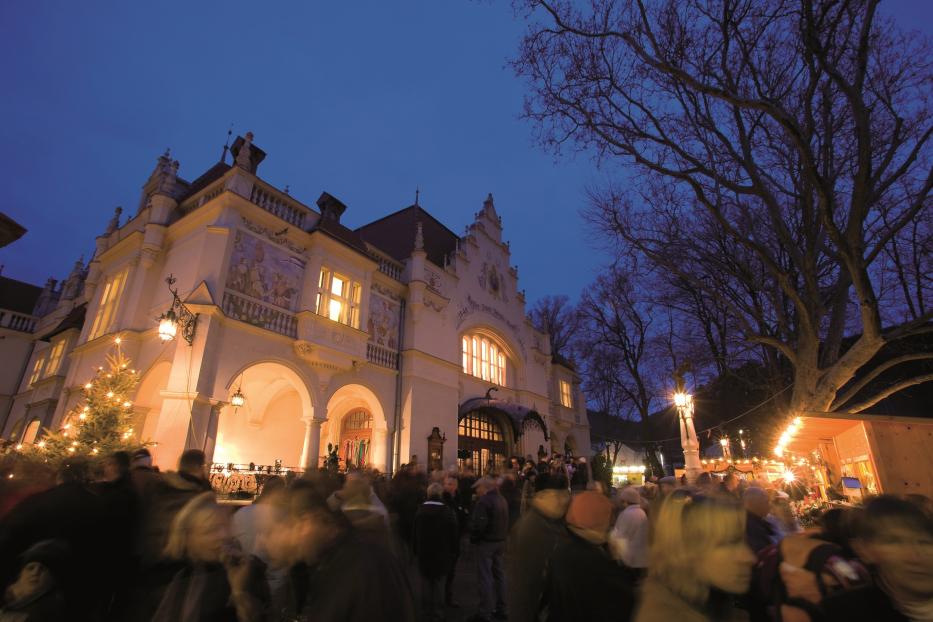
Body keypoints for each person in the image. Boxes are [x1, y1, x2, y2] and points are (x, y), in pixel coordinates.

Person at [267, 482, 416, 621]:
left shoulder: (361, 567)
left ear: (310, 520)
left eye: (287, 527)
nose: (285, 539)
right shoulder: (323, 563)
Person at [634, 493, 756, 622]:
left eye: (744, 541)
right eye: (730, 543)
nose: (750, 558)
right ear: (687, 550)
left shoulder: (710, 602)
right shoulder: (664, 615)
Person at [153, 492, 268, 622]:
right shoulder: (174, 577)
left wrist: (240, 592)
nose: (224, 535)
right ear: (187, 538)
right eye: (210, 530)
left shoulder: (247, 571)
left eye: (227, 525)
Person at [816, 495, 933, 621]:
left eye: (924, 542)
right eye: (894, 542)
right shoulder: (843, 612)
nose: (915, 556)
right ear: (864, 550)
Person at [541, 491, 635, 621]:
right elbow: (620, 603)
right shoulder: (591, 558)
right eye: (607, 516)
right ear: (597, 519)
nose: (611, 521)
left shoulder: (564, 544)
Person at [507, 472, 571, 622]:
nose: (566, 499)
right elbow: (525, 584)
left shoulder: (549, 519)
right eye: (562, 495)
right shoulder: (534, 526)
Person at [413, 483, 459, 621]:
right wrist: (454, 550)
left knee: (426, 582)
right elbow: (453, 533)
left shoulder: (420, 511)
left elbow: (415, 533)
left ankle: (426, 611)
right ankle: (437, 613)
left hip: (424, 552)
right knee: (439, 583)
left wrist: (415, 549)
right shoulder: (447, 512)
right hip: (442, 552)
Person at [0, 539, 69, 621]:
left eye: (42, 569)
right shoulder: (9, 603)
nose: (35, 572)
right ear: (20, 576)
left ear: (52, 579)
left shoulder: (48, 609)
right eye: (30, 568)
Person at [471, 476, 509, 621]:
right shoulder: (501, 499)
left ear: (485, 488)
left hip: (487, 542)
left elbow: (480, 525)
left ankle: (484, 612)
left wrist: (474, 537)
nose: (477, 491)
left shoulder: (484, 501)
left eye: (478, 488)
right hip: (499, 540)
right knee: (499, 575)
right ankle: (502, 607)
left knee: (485, 577)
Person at [609, 486, 649, 577]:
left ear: (626, 501)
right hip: (643, 558)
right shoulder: (642, 512)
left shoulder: (626, 514)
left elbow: (619, 536)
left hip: (630, 559)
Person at [442, 475, 466, 607]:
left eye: (450, 484)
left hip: (455, 541)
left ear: (456, 486)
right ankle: (443, 599)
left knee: (451, 573)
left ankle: (448, 597)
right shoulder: (444, 501)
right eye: (446, 484)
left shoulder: (457, 499)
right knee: (445, 572)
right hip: (447, 543)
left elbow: (461, 517)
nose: (447, 486)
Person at [744, 486, 778, 554]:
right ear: (754, 503)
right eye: (766, 501)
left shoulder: (759, 521)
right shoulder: (752, 527)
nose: (769, 505)